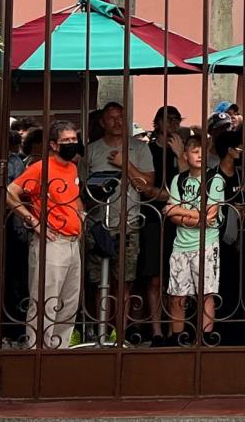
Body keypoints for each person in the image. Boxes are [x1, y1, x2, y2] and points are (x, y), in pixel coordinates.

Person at [6, 121, 84, 349]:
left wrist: (81, 215)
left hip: (71, 241)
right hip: (52, 241)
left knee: (68, 303)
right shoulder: (41, 168)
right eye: (66, 141)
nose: (72, 144)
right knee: (45, 301)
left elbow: (73, 195)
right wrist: (34, 221)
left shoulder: (72, 168)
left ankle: (58, 351)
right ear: (53, 145)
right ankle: (37, 351)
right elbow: (11, 192)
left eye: (74, 140)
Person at [82, 101, 153, 341]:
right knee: (97, 282)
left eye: (121, 117)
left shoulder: (139, 149)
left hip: (129, 224)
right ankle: (100, 330)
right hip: (97, 225)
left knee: (123, 283)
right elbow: (82, 191)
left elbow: (147, 186)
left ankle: (120, 334)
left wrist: (126, 165)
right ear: (102, 122)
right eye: (111, 118)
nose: (117, 122)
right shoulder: (91, 151)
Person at [164, 128, 226, 344]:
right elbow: (171, 214)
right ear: (185, 156)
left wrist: (182, 211)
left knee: (206, 293)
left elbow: (210, 216)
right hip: (181, 244)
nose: (199, 155)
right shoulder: (178, 180)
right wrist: (194, 216)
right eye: (194, 151)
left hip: (206, 244)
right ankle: (177, 338)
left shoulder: (214, 179)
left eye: (202, 151)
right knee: (177, 294)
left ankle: (205, 337)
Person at [136, 106, 184, 346]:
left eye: (177, 120)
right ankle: (156, 330)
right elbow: (145, 187)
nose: (174, 124)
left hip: (180, 221)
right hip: (153, 217)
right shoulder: (148, 150)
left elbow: (188, 185)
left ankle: (173, 329)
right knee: (154, 277)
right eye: (169, 119)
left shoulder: (182, 152)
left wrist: (180, 154)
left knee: (176, 277)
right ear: (157, 123)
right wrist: (165, 195)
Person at [213, 126, 245, 345]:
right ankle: (217, 329)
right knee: (219, 285)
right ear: (229, 150)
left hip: (239, 239)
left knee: (239, 285)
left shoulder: (242, 175)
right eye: (239, 147)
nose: (243, 150)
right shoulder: (213, 175)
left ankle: (237, 331)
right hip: (215, 239)